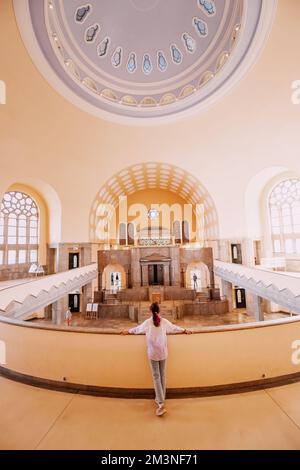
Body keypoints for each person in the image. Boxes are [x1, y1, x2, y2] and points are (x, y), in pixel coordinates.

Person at [122, 302, 191, 417]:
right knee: (162, 375)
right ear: (159, 311)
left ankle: (160, 404)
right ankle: (161, 399)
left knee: (156, 377)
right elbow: (174, 328)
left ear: (150, 311)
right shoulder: (164, 321)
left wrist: (127, 331)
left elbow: (137, 329)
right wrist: (184, 330)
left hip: (153, 354)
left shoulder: (148, 322)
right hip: (163, 352)